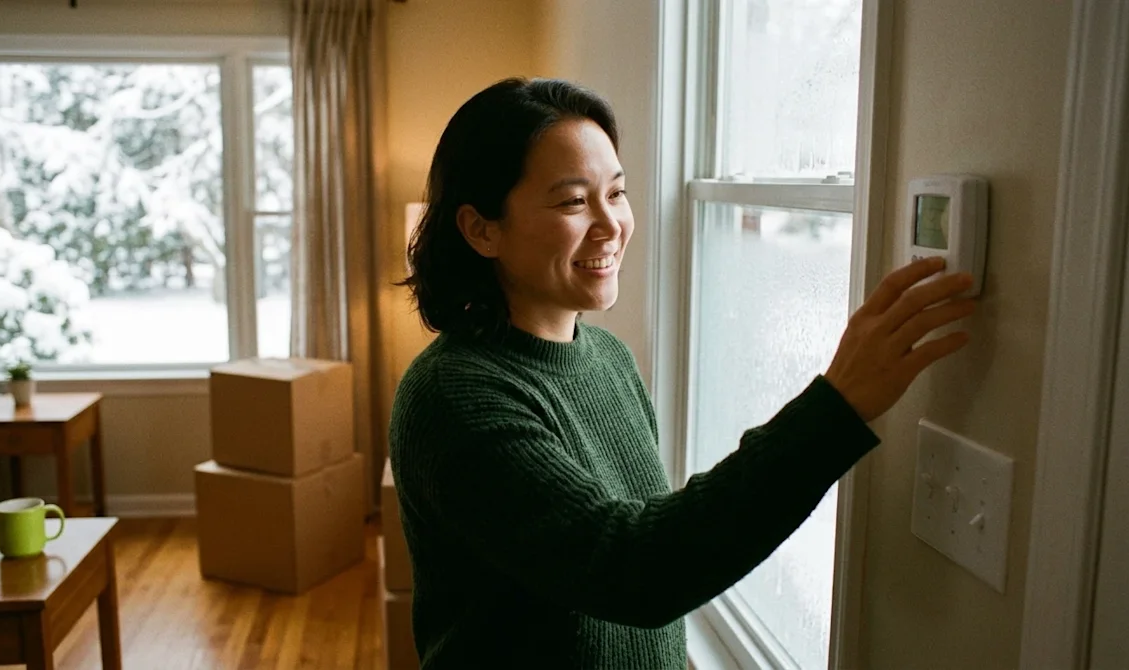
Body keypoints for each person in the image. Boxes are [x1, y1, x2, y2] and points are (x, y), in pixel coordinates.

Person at [390, 78, 975, 669]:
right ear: (481, 229)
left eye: (616, 193)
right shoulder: (451, 396)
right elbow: (630, 570)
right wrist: (836, 407)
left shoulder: (608, 360)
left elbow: (648, 561)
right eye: (572, 202)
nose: (611, 224)